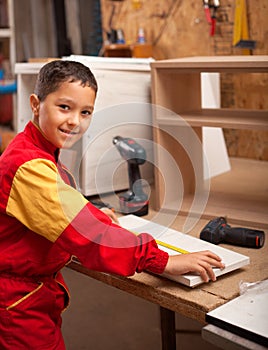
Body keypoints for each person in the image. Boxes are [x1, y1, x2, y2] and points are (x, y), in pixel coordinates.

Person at [0, 60, 224, 349]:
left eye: (86, 112)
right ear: (35, 104)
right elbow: (83, 231)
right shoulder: (27, 164)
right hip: (16, 302)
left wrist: (93, 214)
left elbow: (62, 205)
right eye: (64, 107)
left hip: (33, 292)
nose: (75, 122)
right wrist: (161, 260)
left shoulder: (35, 149)